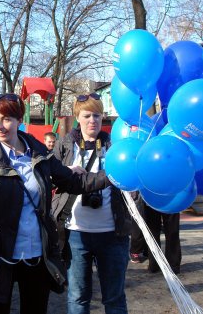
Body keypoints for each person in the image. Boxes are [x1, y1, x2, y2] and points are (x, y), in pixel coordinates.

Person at [0, 93, 109, 314]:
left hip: (36, 255)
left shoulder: (40, 155)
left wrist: (112, 177)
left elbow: (73, 182)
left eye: (6, 119)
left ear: (19, 120)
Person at [51, 92, 132, 314]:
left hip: (113, 234)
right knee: (77, 298)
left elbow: (132, 176)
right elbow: (47, 175)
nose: (92, 121)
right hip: (75, 234)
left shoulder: (115, 144)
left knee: (114, 298)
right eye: (87, 116)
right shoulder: (66, 145)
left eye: (97, 115)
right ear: (78, 117)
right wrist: (66, 171)